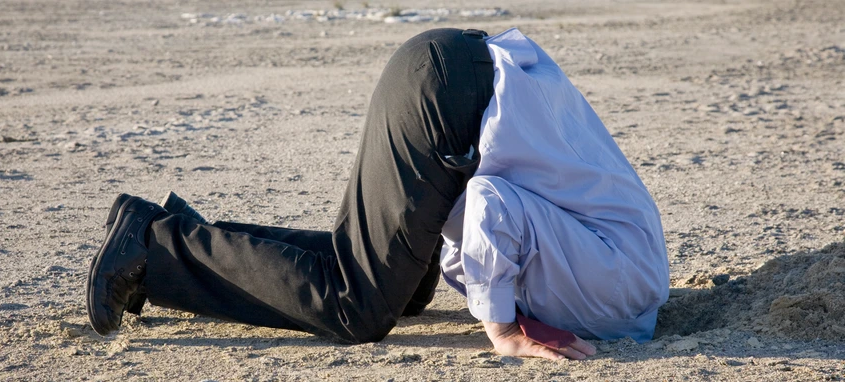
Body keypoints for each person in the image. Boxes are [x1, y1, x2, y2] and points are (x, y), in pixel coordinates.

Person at [87, 28, 668, 361]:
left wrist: (495, 295)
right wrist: (504, 330)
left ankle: (185, 238)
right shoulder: (612, 296)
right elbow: (494, 204)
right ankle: (154, 248)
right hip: (448, 104)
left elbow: (486, 226)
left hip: (451, 82)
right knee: (358, 305)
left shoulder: (626, 281)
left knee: (399, 291)